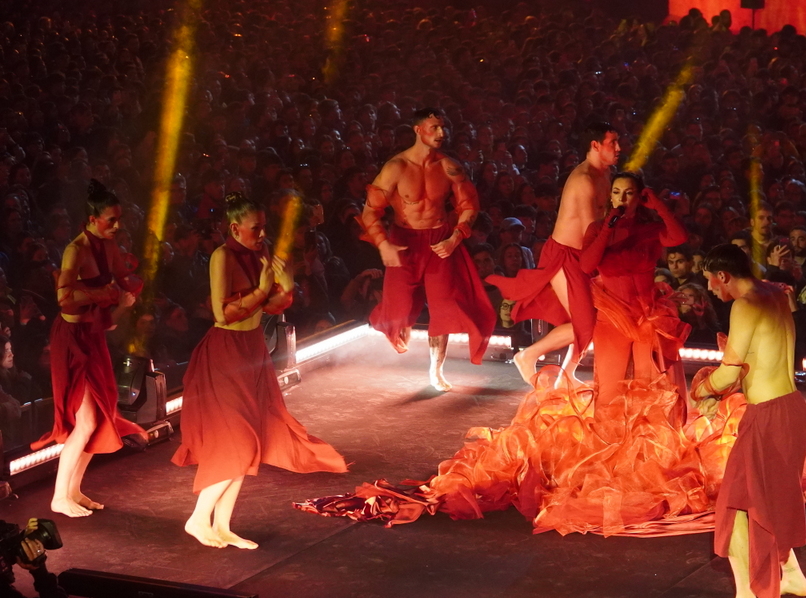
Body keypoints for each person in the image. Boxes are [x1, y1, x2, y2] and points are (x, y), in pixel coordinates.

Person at [172, 193, 347, 549]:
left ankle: (221, 524)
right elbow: (223, 314)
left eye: (265, 226)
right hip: (225, 353)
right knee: (240, 441)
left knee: (251, 438)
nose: (262, 233)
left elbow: (275, 305)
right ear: (235, 228)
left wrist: (284, 284)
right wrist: (265, 287)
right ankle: (197, 518)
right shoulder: (221, 256)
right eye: (256, 228)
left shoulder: (261, 253)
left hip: (252, 350)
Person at [695, 243, 806, 598]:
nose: (712, 291)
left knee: (736, 505)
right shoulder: (775, 294)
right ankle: (792, 574)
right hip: (793, 410)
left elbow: (730, 371)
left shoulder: (743, 304)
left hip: (769, 416)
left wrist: (702, 390)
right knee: (771, 497)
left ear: (723, 275)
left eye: (711, 282)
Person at [360, 108, 495, 392]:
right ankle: (393, 325)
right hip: (405, 240)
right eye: (434, 127)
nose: (442, 133)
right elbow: (371, 211)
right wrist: (383, 244)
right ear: (419, 130)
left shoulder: (449, 167)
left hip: (439, 240)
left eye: (443, 127)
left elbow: (469, 206)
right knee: (398, 310)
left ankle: (436, 370)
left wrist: (455, 238)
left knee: (445, 306)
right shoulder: (396, 167)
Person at [34, 181, 146, 518]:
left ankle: (74, 490)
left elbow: (111, 315)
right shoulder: (76, 250)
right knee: (84, 421)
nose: (117, 226)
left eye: (118, 219)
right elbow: (64, 298)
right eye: (111, 220)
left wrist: (125, 299)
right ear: (92, 219)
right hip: (71, 340)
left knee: (97, 419)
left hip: (92, 336)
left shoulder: (109, 248)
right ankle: (58, 497)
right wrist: (104, 295)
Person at [489, 123, 617, 384]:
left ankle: (567, 374)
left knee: (591, 321)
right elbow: (590, 233)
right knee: (585, 323)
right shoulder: (583, 181)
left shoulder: (605, 174)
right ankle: (528, 356)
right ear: (595, 145)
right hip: (567, 256)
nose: (618, 148)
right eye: (612, 142)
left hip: (585, 254)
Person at [579, 171, 689, 422]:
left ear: (639, 196)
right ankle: (610, 441)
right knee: (610, 384)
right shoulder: (597, 228)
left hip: (647, 314)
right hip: (612, 315)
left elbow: (680, 236)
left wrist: (659, 205)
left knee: (650, 380)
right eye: (617, 192)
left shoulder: (649, 228)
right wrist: (609, 226)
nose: (622, 198)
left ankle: (649, 443)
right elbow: (586, 265)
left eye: (629, 193)